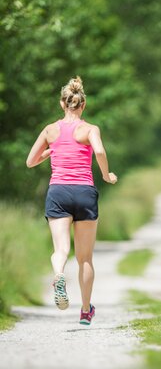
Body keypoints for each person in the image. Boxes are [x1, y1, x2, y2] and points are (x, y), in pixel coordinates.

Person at [26, 76, 118, 325]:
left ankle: (58, 275)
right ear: (83, 104)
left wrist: (50, 151)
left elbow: (30, 161)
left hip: (58, 192)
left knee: (60, 250)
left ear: (62, 104)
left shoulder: (50, 130)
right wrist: (106, 175)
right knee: (85, 258)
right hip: (84, 192)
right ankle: (86, 310)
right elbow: (98, 151)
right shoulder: (90, 129)